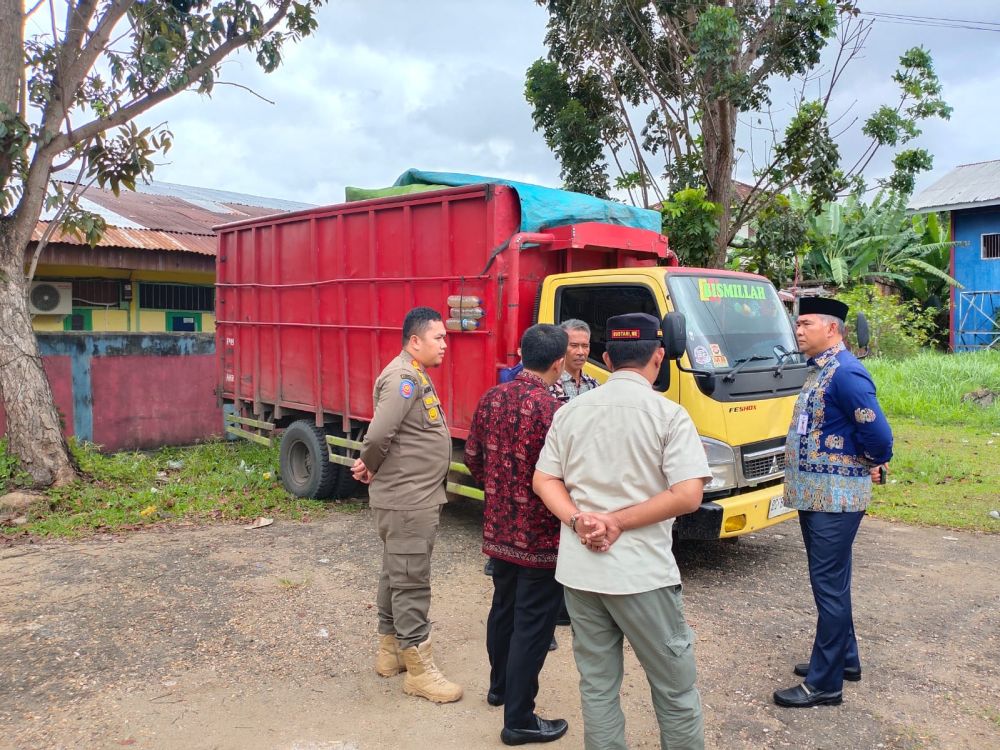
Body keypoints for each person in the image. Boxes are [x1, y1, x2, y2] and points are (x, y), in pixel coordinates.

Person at [533, 312, 711, 750]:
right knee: (675, 690)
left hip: (581, 574)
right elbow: (689, 494)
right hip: (641, 576)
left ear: (607, 358)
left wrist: (579, 520)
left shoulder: (571, 412)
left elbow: (544, 479)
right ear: (658, 356)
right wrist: (617, 522)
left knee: (597, 687)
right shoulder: (669, 415)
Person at [773, 297, 893, 708]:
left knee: (828, 588)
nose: (798, 330)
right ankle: (845, 659)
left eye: (805, 323)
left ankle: (825, 683)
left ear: (831, 329)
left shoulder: (847, 373)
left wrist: (875, 461)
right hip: (817, 496)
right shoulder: (821, 370)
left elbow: (880, 436)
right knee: (834, 584)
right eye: (797, 323)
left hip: (836, 500)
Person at [465, 324, 571, 746]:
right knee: (533, 623)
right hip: (542, 537)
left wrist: (498, 493)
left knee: (503, 608)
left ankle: (499, 688)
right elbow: (568, 473)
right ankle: (520, 719)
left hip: (498, 530)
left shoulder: (491, 398)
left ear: (523, 355)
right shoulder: (553, 408)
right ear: (558, 363)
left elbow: (473, 455)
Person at [351, 306, 462, 704]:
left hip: (409, 497)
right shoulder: (403, 377)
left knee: (395, 572)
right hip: (407, 500)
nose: (445, 344)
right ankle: (419, 669)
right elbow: (381, 432)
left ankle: (390, 652)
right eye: (439, 337)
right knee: (411, 580)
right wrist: (370, 464)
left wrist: (372, 463)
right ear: (415, 341)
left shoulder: (412, 374)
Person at [549, 319, 599, 403]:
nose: (580, 352)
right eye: (574, 345)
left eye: (585, 346)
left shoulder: (594, 385)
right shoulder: (549, 384)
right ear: (561, 346)